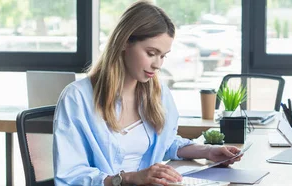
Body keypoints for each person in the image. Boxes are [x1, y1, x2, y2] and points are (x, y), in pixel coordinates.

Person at [52, 1, 241, 185]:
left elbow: (165, 143)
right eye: (151, 53)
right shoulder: (77, 98)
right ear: (125, 42)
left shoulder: (158, 94)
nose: (157, 64)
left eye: (163, 56)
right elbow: (71, 175)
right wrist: (129, 178)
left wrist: (208, 152)